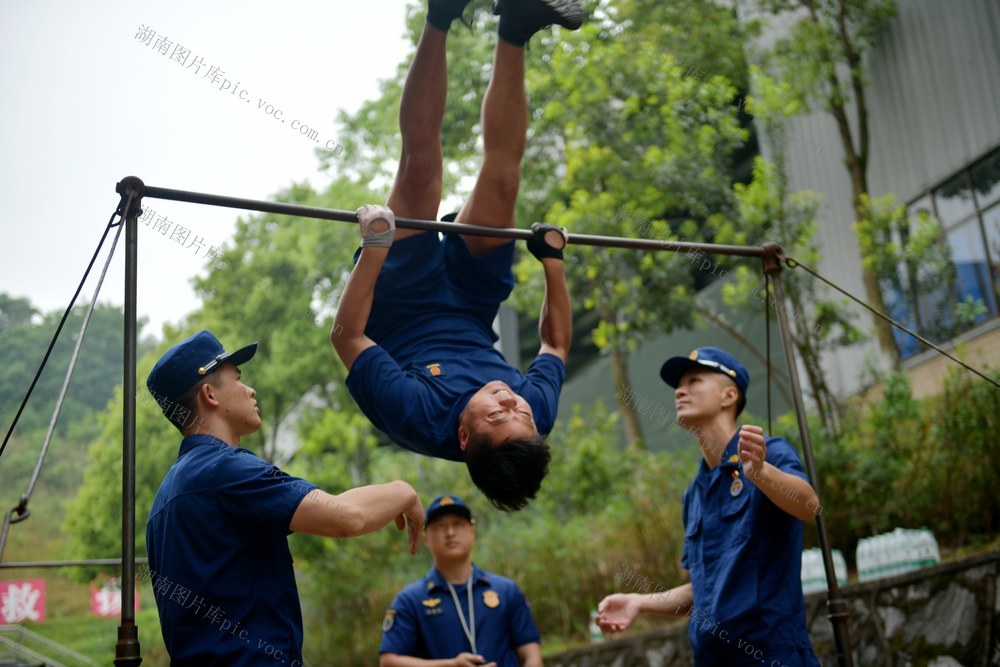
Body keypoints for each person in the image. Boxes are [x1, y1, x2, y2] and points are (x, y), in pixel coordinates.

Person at [330, 0, 580, 512]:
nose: (510, 401)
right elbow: (555, 345)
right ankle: (516, 26)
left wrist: (376, 247)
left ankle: (440, 13)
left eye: (496, 414)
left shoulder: (415, 415)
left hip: (399, 302)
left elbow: (347, 336)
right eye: (520, 412)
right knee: (504, 179)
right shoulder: (529, 419)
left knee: (421, 172)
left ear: (464, 440)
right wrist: (553, 265)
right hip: (470, 304)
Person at [144, 329, 425, 666]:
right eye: (238, 378)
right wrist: (403, 491)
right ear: (210, 394)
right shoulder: (226, 469)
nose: (251, 390)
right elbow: (346, 517)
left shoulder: (164, 498)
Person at [596, 347, 821, 667]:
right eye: (678, 386)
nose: (680, 391)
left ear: (729, 395)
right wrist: (638, 601)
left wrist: (761, 473)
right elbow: (703, 591)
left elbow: (809, 505)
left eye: (694, 380)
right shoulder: (694, 495)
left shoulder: (768, 453)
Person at [379, 494, 543, 667]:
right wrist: (451, 665)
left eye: (457, 524)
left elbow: (532, 655)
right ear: (426, 537)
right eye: (440, 526)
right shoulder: (410, 600)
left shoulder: (506, 591)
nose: (450, 533)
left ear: (472, 531)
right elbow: (389, 662)